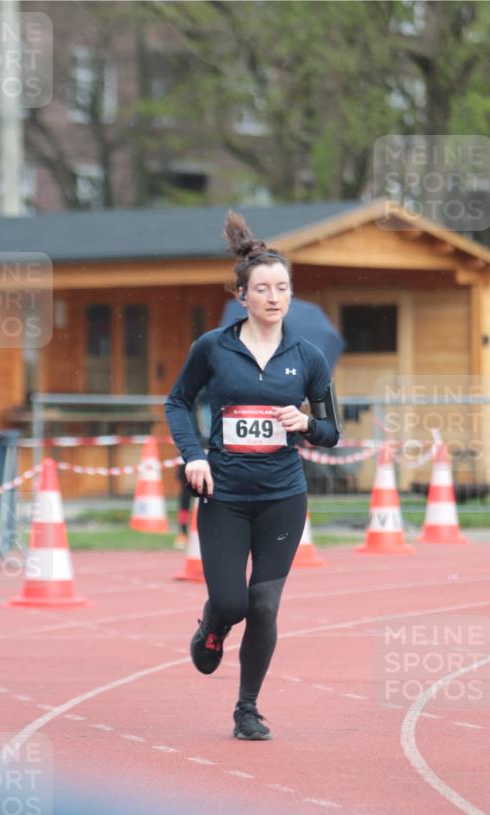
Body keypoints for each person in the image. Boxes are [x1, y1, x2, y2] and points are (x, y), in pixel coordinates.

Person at [165, 210, 340, 740]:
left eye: (282, 288)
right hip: (225, 490)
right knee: (233, 602)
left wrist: (306, 422)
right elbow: (178, 401)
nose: (273, 296)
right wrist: (193, 454)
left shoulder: (307, 357)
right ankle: (213, 625)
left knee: (263, 604)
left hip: (283, 494)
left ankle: (247, 709)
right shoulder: (213, 347)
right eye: (262, 288)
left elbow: (331, 430)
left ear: (290, 295)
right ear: (243, 295)